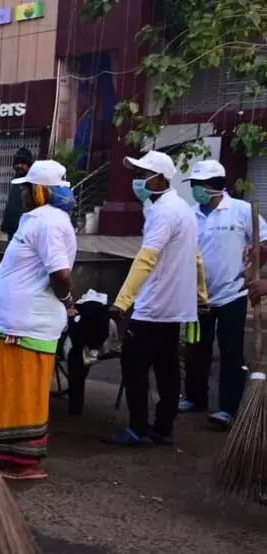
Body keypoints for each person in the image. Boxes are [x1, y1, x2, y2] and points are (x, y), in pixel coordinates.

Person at [0, 160, 78, 481]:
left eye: (26, 188)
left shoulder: (49, 222)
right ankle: (2, 453)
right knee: (6, 391)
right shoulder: (38, 220)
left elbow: (60, 274)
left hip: (26, 325)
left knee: (20, 394)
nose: (21, 194)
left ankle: (20, 462)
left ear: (40, 191)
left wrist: (66, 300)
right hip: (12, 322)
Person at [106, 150, 208, 447]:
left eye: (142, 175)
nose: (137, 180)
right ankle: (163, 429)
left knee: (134, 366)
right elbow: (197, 258)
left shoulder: (164, 213)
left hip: (154, 306)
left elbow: (146, 259)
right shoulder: (183, 209)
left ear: (160, 178)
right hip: (176, 307)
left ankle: (139, 429)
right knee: (167, 369)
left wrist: (122, 302)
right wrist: (201, 296)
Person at [180, 159, 267, 429]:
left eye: (198, 185)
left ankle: (228, 408)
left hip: (233, 293)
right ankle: (195, 397)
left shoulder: (241, 211)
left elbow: (263, 243)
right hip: (199, 295)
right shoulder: (191, 215)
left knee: (231, 351)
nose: (195, 190)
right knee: (196, 348)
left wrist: (255, 268)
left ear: (214, 186)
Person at [1, 147, 35, 239]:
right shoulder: (17, 180)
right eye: (17, 163)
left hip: (26, 232)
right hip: (12, 230)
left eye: (23, 163)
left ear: (29, 165)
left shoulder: (33, 183)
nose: (19, 165)